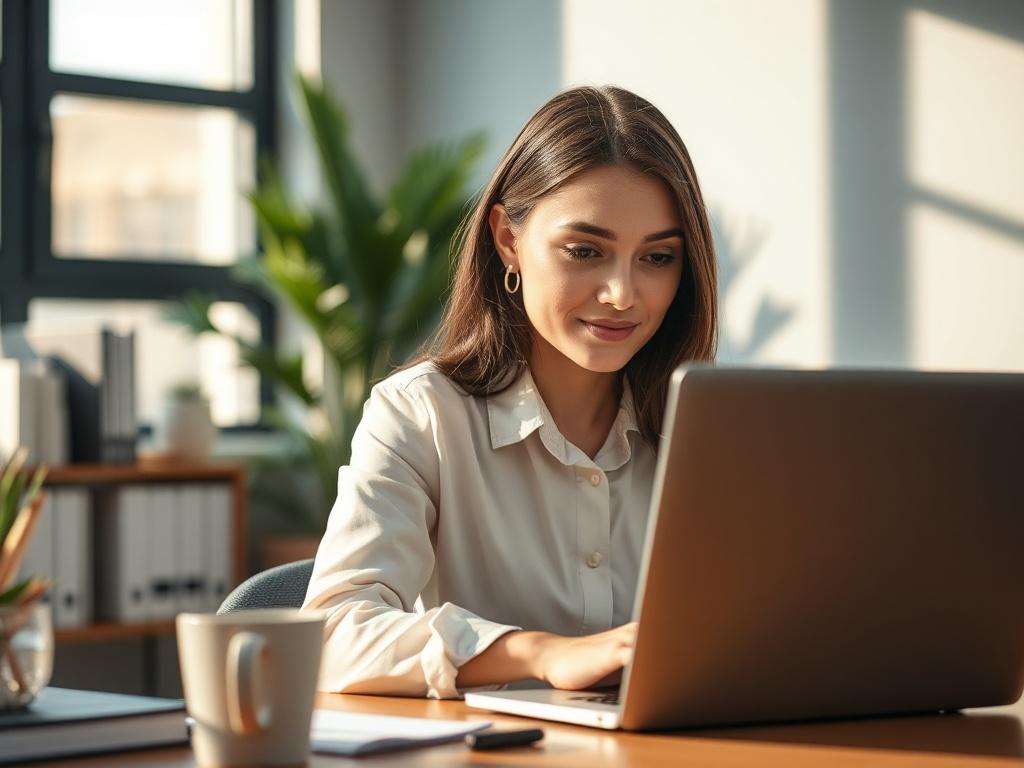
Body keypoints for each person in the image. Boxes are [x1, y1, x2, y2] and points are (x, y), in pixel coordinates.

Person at [302, 84, 718, 699]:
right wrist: (539, 654)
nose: (623, 294)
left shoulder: (709, 429)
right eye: (585, 250)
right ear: (508, 239)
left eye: (657, 258)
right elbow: (333, 633)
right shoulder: (422, 416)